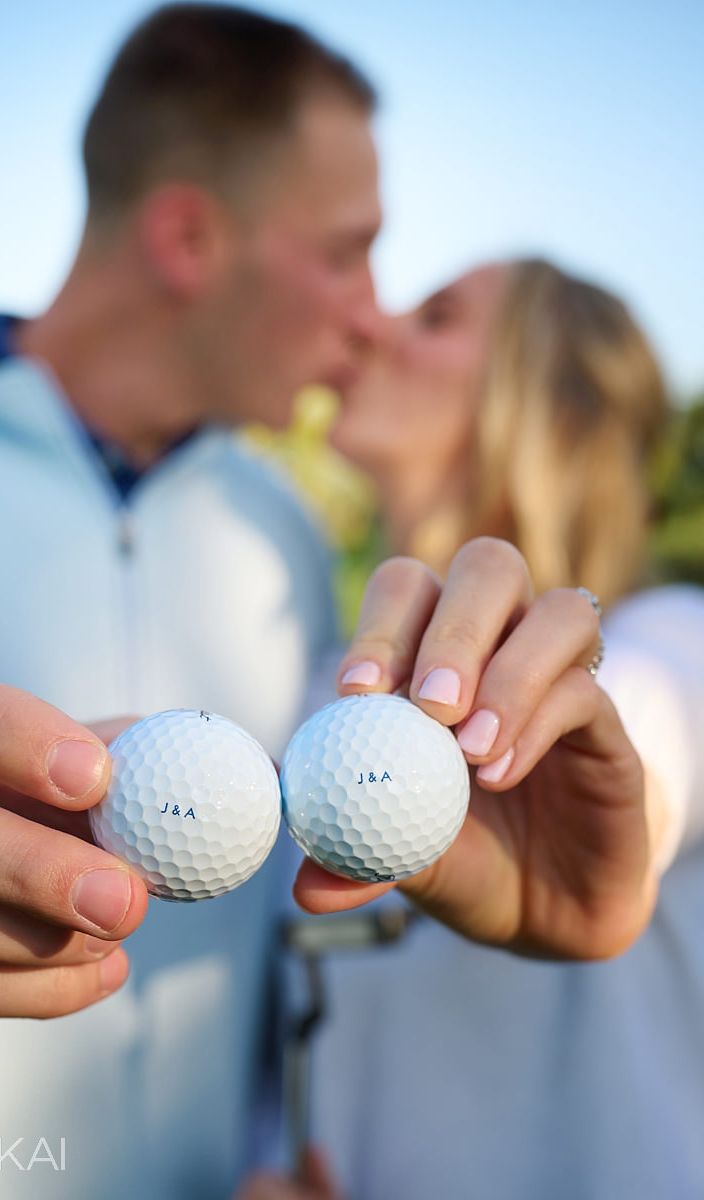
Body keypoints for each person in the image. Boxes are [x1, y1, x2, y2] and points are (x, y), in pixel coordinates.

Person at [0, 6, 381, 1197]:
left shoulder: (283, 526)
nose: (374, 313)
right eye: (348, 251)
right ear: (189, 238)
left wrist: (261, 1150)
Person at [281, 258, 704, 1198]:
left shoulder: (675, 635)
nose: (378, 325)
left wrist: (607, 795)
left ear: (554, 412)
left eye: (434, 318)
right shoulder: (324, 701)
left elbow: (653, 724)